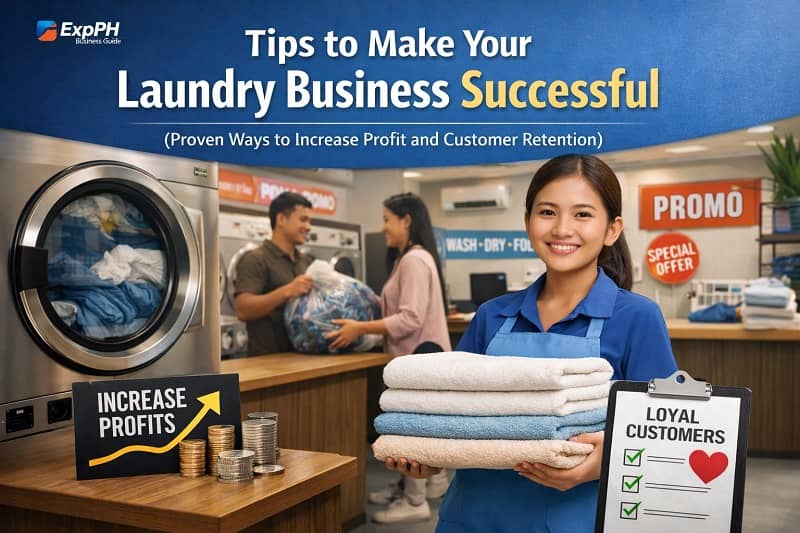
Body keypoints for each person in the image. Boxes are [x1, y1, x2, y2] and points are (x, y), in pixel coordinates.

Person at [380, 154, 678, 532]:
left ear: (612, 229)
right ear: (527, 222)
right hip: (471, 518)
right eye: (548, 212)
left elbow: (664, 438)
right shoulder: (491, 315)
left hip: (576, 520)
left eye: (583, 214)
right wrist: (425, 453)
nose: (562, 228)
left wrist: (600, 465)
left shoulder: (637, 318)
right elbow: (454, 416)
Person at [325, 192, 452, 523]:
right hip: (419, 359)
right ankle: (423, 486)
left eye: (386, 219)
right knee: (421, 431)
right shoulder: (408, 259)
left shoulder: (413, 260)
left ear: (405, 220)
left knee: (412, 432)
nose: (383, 227)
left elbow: (409, 318)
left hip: (419, 361)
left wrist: (359, 328)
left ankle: (414, 502)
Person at [234, 192, 314, 355]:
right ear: (281, 220)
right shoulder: (256, 259)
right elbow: (243, 309)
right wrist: (287, 291)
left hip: (304, 359)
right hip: (267, 362)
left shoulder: (306, 261)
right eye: (303, 220)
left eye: (309, 221)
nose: (308, 227)